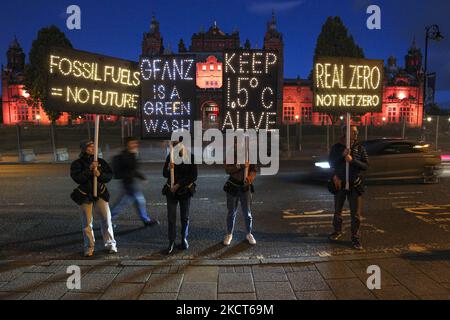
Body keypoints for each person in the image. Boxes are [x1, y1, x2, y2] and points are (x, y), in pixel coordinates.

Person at [70, 141, 117, 257]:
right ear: (84, 149)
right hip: (85, 195)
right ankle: (89, 247)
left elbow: (109, 176)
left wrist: (99, 174)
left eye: (93, 146)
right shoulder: (77, 163)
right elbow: (77, 178)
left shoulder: (100, 162)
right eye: (90, 146)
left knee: (106, 220)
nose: (92, 148)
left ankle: (110, 244)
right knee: (86, 223)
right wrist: (89, 171)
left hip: (100, 193)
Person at [328, 126, 369, 250]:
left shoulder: (360, 148)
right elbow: (331, 163)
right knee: (338, 210)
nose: (355, 135)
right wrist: (342, 156)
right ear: (345, 134)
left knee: (355, 214)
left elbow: (366, 165)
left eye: (356, 133)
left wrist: (353, 161)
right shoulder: (336, 147)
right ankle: (337, 231)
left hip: (354, 184)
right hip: (340, 184)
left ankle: (355, 237)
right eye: (353, 133)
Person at [111, 136, 159, 227]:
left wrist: (141, 177)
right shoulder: (124, 155)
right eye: (132, 143)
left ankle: (108, 220)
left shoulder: (131, 154)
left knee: (124, 202)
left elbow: (134, 169)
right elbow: (131, 168)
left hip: (130, 181)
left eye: (135, 143)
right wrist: (134, 155)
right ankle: (145, 220)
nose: (134, 144)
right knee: (138, 201)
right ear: (127, 144)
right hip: (128, 182)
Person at [162, 138, 198, 255]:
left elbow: (193, 176)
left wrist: (178, 184)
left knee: (184, 217)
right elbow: (164, 173)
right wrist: (170, 168)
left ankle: (184, 239)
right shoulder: (170, 157)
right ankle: (171, 242)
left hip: (184, 191)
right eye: (175, 145)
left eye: (179, 145)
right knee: (171, 218)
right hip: (171, 191)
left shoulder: (190, 157)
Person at [223, 143, 258, 246]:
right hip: (232, 186)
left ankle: (249, 233)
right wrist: (240, 165)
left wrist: (250, 178)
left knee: (247, 213)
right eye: (236, 142)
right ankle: (229, 234)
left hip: (245, 187)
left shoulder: (250, 154)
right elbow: (227, 169)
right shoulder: (230, 154)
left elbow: (253, 170)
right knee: (231, 212)